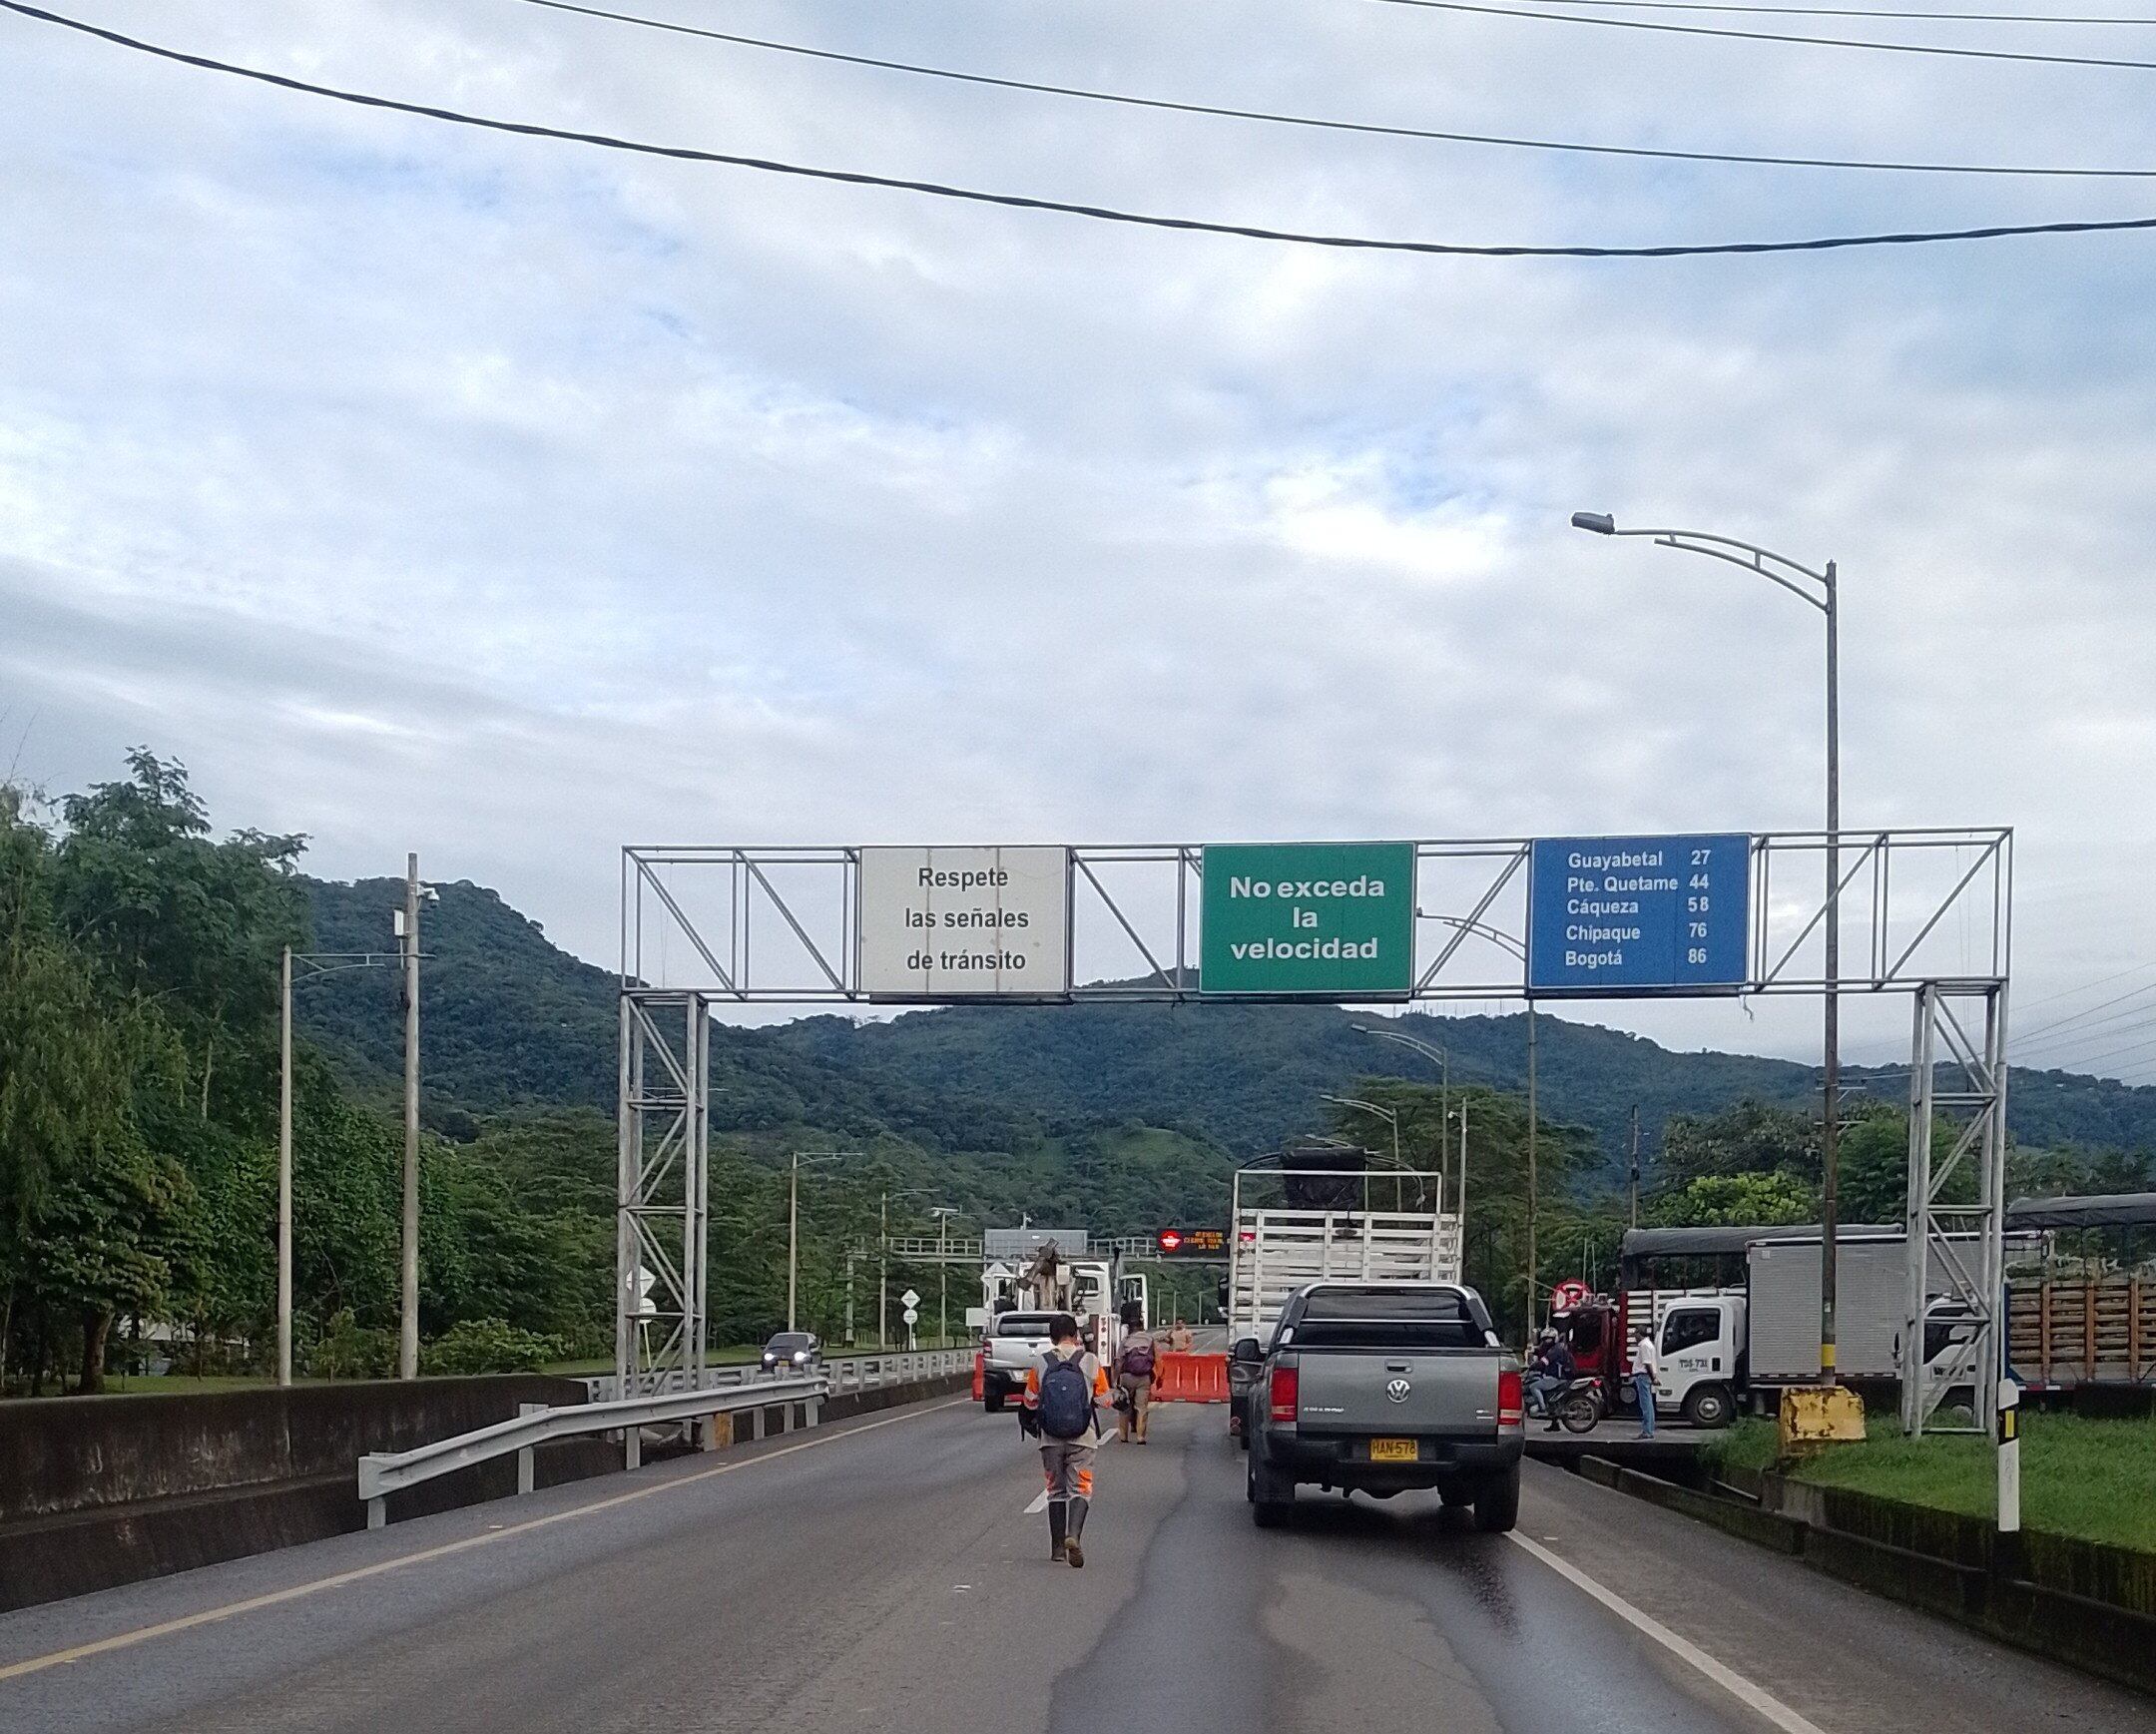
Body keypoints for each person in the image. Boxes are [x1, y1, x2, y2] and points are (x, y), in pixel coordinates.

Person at [1022, 1312, 1115, 1567]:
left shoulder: (1041, 1363)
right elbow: (1104, 1400)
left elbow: (1030, 1400)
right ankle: (1073, 1535)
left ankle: (1057, 1550)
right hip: (1082, 1437)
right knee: (1080, 1489)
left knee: (1055, 1491)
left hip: (1050, 1438)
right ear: (1075, 1335)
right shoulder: (1091, 1361)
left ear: (1051, 1337)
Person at [1115, 1304, 1157, 1445]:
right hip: (1144, 1378)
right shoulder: (1149, 1339)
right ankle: (1140, 1437)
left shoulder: (1126, 1341)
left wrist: (1116, 1379)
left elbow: (1119, 1361)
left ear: (1130, 1328)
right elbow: (1155, 1358)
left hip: (1127, 1376)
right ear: (1142, 1326)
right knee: (1142, 1408)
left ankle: (1123, 1436)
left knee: (1124, 1407)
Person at [1526, 1329, 1575, 1433]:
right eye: (1545, 1339)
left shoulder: (1556, 1350)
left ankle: (1542, 1408)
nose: (1547, 1341)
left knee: (1533, 1386)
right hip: (1555, 1376)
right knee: (1550, 1398)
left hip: (1557, 1378)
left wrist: (1533, 1366)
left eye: (1549, 1339)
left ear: (1555, 1338)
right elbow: (1541, 1353)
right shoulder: (1553, 1348)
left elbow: (1545, 1361)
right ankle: (1554, 1424)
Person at [1633, 1331, 1660, 1440]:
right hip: (1646, 1376)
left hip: (1643, 1376)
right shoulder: (1649, 1344)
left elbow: (1647, 1363)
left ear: (1640, 1334)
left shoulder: (1644, 1345)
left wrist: (1653, 1378)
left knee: (1646, 1405)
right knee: (1648, 1404)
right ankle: (1649, 1429)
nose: (1634, 1336)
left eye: (1635, 1334)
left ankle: (1647, 1431)